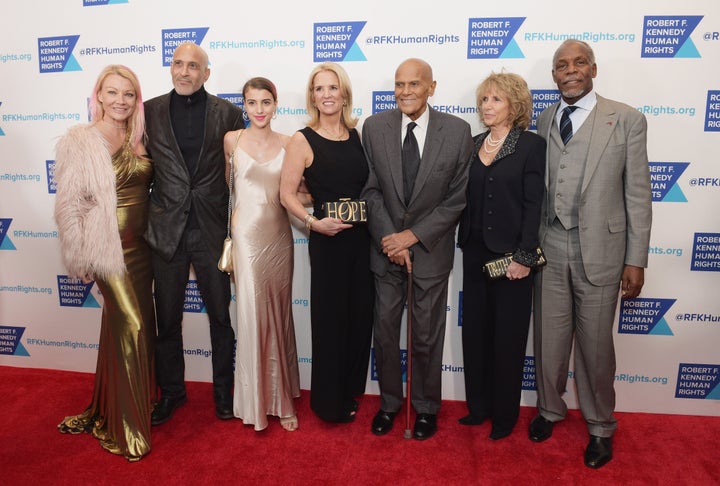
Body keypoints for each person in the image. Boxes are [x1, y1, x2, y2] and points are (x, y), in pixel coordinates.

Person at [530, 39, 652, 468]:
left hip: (602, 250)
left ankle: (601, 426)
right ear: (553, 75)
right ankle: (549, 409)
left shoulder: (627, 120)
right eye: (561, 65)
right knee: (548, 341)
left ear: (593, 69)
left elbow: (638, 196)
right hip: (551, 246)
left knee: (597, 348)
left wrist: (636, 259)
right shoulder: (544, 119)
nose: (570, 70)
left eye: (579, 62)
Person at [361, 58, 473, 440]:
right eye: (399, 84)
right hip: (385, 250)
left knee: (426, 337)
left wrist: (413, 236)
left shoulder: (458, 132)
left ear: (432, 86)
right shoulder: (374, 128)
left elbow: (457, 199)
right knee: (386, 333)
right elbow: (371, 190)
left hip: (430, 252)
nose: (405, 91)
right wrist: (391, 238)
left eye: (414, 84)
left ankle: (425, 408)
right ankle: (391, 404)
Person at [54, 65, 155, 461]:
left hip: (143, 248)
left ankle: (114, 406)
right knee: (132, 324)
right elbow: (69, 203)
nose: (120, 101)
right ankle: (128, 427)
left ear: (136, 99)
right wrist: (79, 252)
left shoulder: (140, 136)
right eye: (112, 92)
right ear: (98, 95)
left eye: (128, 94)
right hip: (106, 250)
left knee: (123, 329)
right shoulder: (81, 140)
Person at [145, 42, 244, 424]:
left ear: (206, 73)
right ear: (171, 68)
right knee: (166, 319)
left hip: (211, 230)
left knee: (221, 318)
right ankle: (171, 393)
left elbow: (241, 173)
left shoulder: (230, 113)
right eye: (178, 64)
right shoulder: (149, 111)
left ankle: (223, 393)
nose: (184, 71)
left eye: (193, 66)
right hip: (166, 230)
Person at [280, 62, 374, 423]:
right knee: (331, 321)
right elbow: (286, 194)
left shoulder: (357, 135)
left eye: (333, 87)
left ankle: (350, 390)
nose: (327, 95)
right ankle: (327, 403)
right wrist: (313, 223)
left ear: (344, 93)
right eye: (319, 89)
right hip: (328, 244)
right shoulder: (302, 139)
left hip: (361, 240)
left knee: (358, 318)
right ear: (312, 97)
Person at [456, 72, 546, 440]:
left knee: (507, 339)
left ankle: (505, 417)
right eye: (483, 100)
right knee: (475, 334)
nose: (486, 106)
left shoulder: (530, 145)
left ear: (515, 105)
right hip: (475, 254)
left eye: (495, 99)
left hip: (512, 259)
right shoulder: (474, 142)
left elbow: (533, 204)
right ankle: (478, 408)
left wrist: (524, 257)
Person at [224, 77, 301, 431]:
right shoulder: (232, 140)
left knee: (280, 314)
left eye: (265, 102)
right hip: (245, 236)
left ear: (276, 103)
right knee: (252, 316)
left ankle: (282, 398)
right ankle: (255, 403)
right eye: (252, 103)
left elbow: (298, 192)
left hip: (279, 236)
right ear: (244, 105)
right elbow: (229, 191)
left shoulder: (290, 143)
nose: (259, 110)